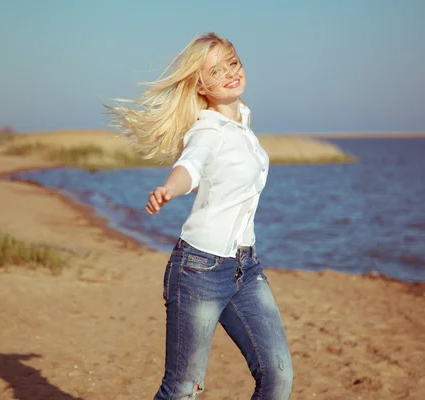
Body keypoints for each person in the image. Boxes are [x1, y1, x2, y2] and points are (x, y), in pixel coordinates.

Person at [106, 32, 293, 400]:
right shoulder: (207, 129)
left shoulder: (243, 120)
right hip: (200, 269)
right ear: (200, 85)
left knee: (278, 375)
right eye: (216, 70)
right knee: (182, 389)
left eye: (233, 63)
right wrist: (170, 189)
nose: (230, 74)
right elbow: (190, 165)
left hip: (246, 268)